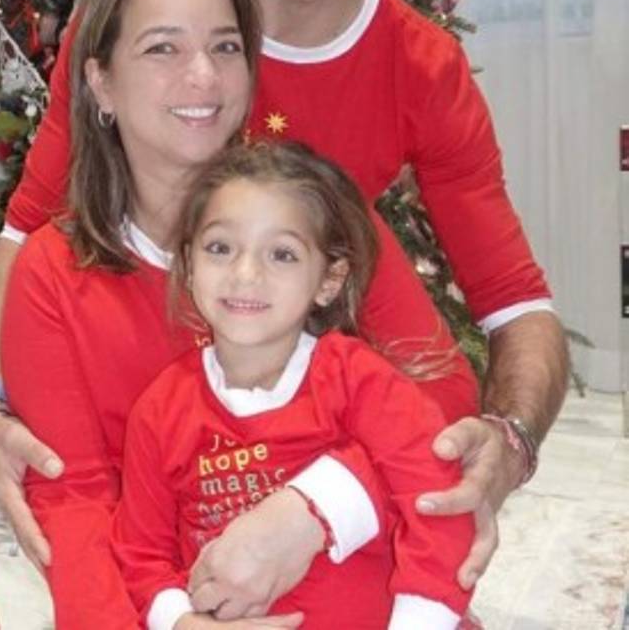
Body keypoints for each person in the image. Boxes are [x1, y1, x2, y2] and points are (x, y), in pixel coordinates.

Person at [0, 0, 568, 616]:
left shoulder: (349, 176)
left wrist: (331, 504)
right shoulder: (129, 25)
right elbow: (30, 241)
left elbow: (485, 334)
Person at [0, 0, 478, 628]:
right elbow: (74, 504)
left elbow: (441, 397)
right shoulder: (52, 273)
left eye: (225, 47)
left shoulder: (319, 216)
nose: (204, 77)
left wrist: (316, 507)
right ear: (100, 83)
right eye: (163, 48)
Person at [113, 140, 475, 630]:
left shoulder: (359, 380)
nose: (245, 274)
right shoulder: (160, 409)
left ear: (329, 279)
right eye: (220, 248)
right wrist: (181, 622)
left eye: (282, 255)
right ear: (189, 263)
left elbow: (438, 498)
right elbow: (141, 556)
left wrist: (422, 621)